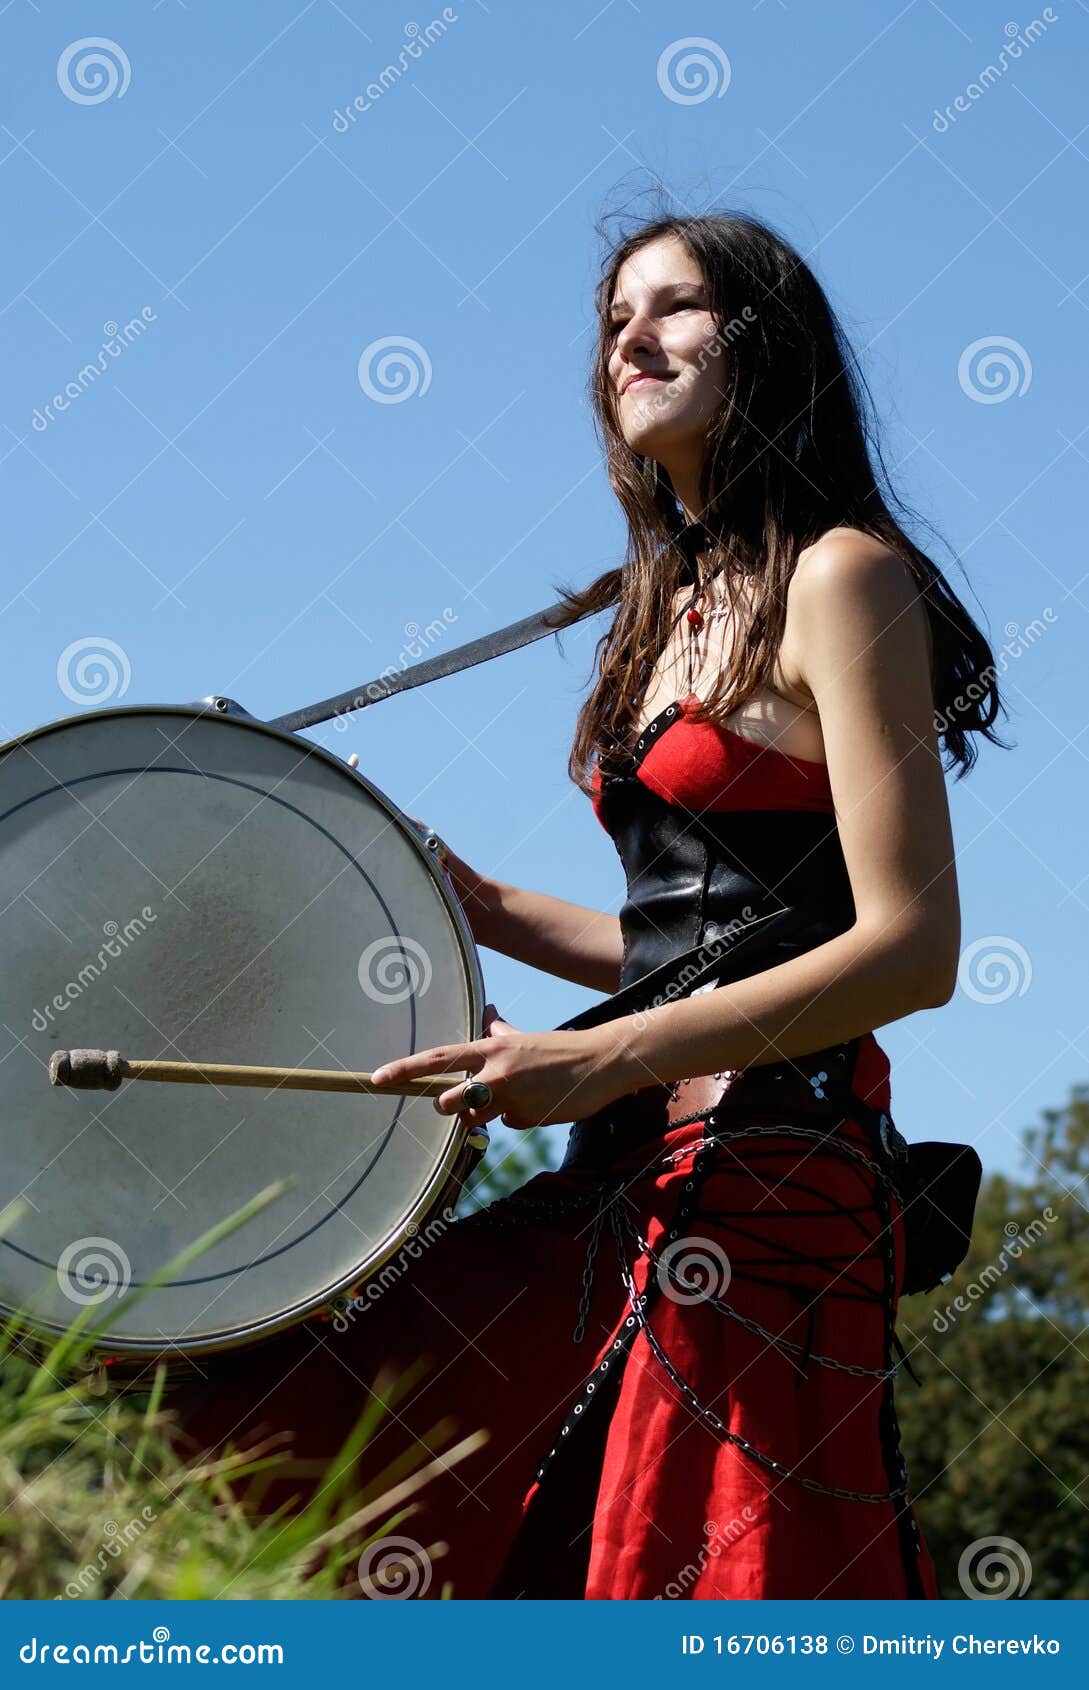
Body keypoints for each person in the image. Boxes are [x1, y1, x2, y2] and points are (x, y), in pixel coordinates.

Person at [170, 211, 1004, 1600]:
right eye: (615, 316)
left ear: (766, 343)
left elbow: (909, 947)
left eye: (677, 307)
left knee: (681, 1584)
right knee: (295, 1418)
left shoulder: (841, 579)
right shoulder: (659, 612)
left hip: (763, 1182)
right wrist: (471, 900)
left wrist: (593, 1053)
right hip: (622, 1170)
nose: (632, 336)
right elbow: (691, 948)